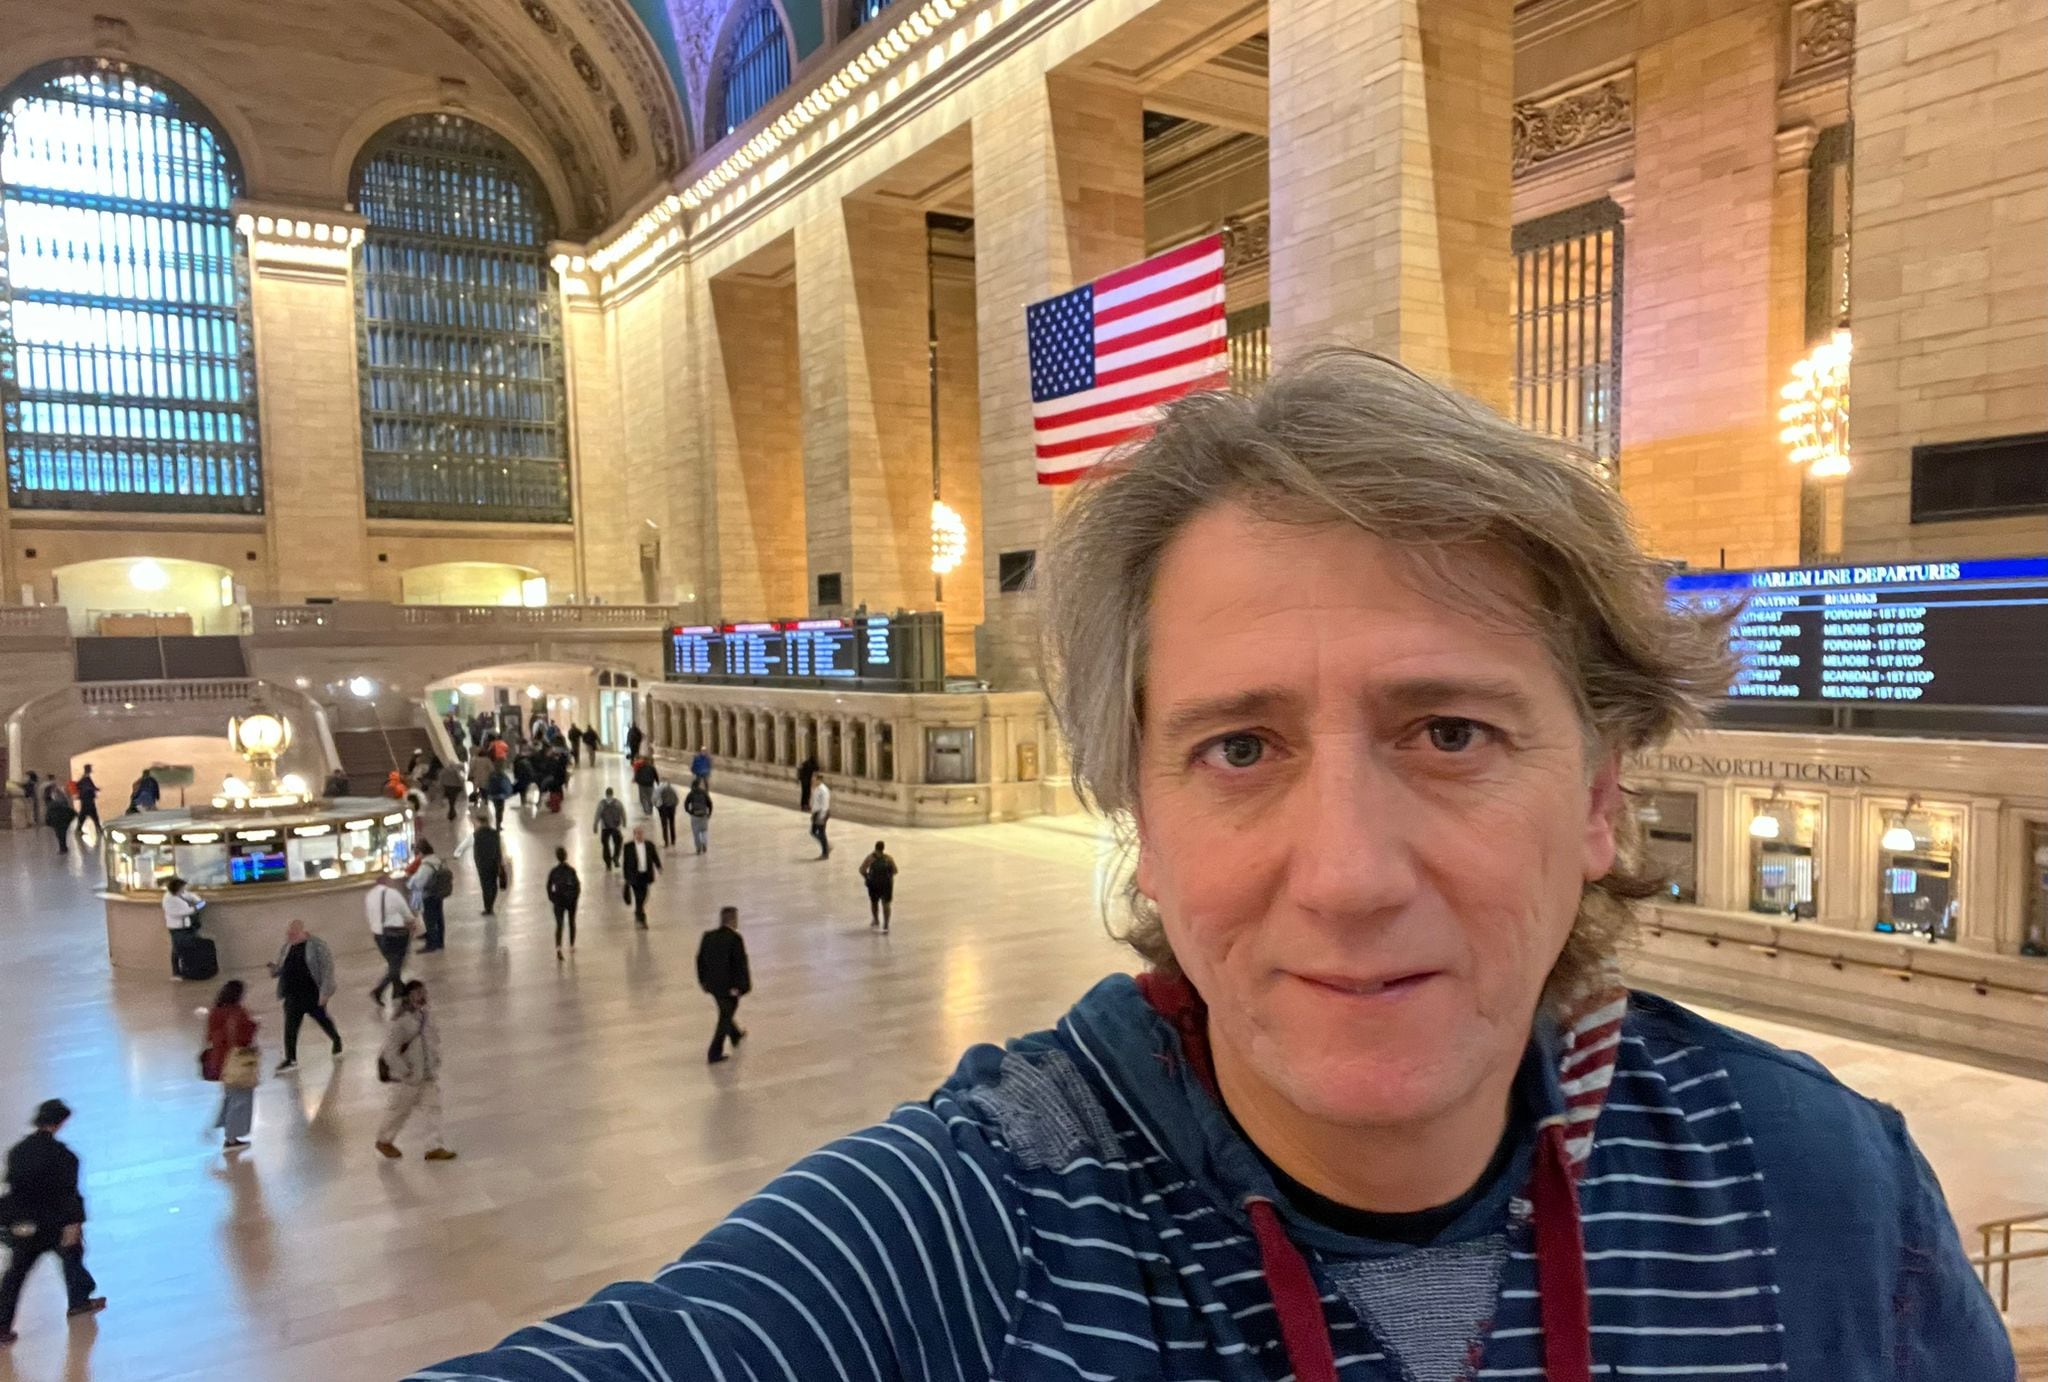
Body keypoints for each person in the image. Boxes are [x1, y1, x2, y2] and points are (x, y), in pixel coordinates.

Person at [422, 351, 2015, 1382]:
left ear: (1601, 797)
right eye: (1239, 748)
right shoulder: (968, 1240)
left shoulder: (1824, 1194)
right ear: (1144, 821)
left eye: (1450, 731)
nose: (1346, 873)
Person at [0, 1100, 105, 1345]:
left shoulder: (18, 1151)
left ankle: (2, 1325)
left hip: (25, 1224)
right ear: (60, 1122)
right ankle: (79, 1302)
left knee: (15, 1275)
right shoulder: (65, 1156)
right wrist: (74, 1225)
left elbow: (12, 1185)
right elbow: (69, 1194)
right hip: (54, 1224)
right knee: (72, 1255)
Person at [374, 981, 454, 1162]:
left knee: (433, 1109)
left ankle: (434, 1147)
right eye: (416, 993)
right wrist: (404, 1070)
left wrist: (435, 1061)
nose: (421, 996)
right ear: (407, 997)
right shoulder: (400, 1022)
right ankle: (384, 1140)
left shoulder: (426, 1017)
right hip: (407, 1079)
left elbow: (433, 1041)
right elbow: (390, 1052)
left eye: (423, 992)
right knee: (398, 1111)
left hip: (426, 1075)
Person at [267, 922, 340, 1073]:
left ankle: (336, 1039)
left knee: (322, 1020)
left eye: (292, 934)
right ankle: (290, 1059)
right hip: (292, 995)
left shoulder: (317, 946)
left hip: (312, 994)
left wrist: (325, 993)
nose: (289, 937)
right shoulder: (287, 947)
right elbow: (282, 967)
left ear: (302, 932)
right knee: (290, 1028)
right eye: (288, 934)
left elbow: (327, 969)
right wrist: (274, 970)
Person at [201, 981, 259, 1151]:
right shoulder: (238, 1013)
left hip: (219, 1061)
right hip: (237, 1063)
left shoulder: (215, 1012)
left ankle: (220, 1125)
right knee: (240, 1100)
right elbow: (246, 1037)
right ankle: (231, 1139)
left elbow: (209, 1037)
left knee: (230, 1097)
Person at [695, 905, 750, 1065]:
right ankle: (714, 1052)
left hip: (713, 985)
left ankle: (735, 1035)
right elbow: (740, 964)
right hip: (729, 987)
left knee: (725, 1011)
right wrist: (742, 987)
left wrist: (703, 981)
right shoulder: (735, 939)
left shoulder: (708, 936)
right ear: (733, 920)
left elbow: (700, 960)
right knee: (725, 1017)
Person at [365, 873, 418, 1007]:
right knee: (396, 965)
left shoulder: (369, 896)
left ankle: (398, 992)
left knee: (393, 963)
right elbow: (405, 912)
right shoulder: (392, 893)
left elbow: (370, 916)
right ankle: (379, 990)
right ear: (387, 881)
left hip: (379, 935)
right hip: (396, 934)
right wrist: (412, 922)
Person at [454, 814, 508, 916]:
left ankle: (488, 907)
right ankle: (491, 903)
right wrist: (502, 862)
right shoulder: (495, 833)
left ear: (480, 823)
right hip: (494, 862)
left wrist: (456, 854)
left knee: (485, 885)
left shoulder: (476, 835)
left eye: (476, 823)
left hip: (482, 864)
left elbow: (464, 845)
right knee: (493, 883)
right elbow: (501, 848)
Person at [410, 841, 453, 952]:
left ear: (421, 852)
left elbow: (419, 882)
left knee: (429, 920)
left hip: (428, 895)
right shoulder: (437, 860)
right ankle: (440, 942)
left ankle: (431, 945)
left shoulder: (426, 865)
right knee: (439, 918)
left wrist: (410, 884)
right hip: (438, 893)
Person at [161, 876, 205, 977]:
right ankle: (176, 973)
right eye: (182, 888)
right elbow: (181, 912)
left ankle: (188, 969)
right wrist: (197, 907)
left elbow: (190, 896)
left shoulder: (180, 895)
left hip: (185, 926)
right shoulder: (169, 899)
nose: (183, 890)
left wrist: (198, 900)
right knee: (177, 949)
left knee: (186, 948)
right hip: (177, 928)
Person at [620, 826, 660, 929]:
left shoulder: (649, 845)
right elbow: (625, 863)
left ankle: (638, 913)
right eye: (637, 833)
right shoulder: (628, 847)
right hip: (634, 876)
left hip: (645, 876)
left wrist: (659, 866)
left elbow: (655, 857)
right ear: (634, 835)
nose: (639, 835)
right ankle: (641, 919)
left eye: (641, 833)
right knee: (638, 897)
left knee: (644, 896)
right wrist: (626, 877)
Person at [546, 847, 580, 958]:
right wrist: (574, 897)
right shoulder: (571, 870)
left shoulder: (554, 872)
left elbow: (549, 887)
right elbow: (577, 886)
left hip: (559, 902)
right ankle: (571, 945)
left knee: (559, 924)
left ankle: (558, 946)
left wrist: (553, 898)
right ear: (566, 856)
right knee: (571, 922)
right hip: (570, 901)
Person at [858, 840, 897, 931]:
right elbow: (895, 871)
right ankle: (886, 924)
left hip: (873, 885)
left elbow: (862, 870)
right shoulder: (888, 858)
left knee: (874, 903)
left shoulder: (870, 858)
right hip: (886, 885)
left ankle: (876, 920)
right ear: (883, 848)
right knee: (886, 904)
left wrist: (867, 877)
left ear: (875, 848)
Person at [593, 788, 626, 870]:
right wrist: (624, 822)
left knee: (605, 845)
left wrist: (595, 825)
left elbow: (597, 815)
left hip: (605, 828)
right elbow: (623, 812)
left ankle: (608, 863)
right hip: (616, 827)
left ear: (606, 794)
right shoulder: (618, 803)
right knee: (618, 842)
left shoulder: (601, 804)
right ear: (612, 793)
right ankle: (615, 857)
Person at [683, 778, 713, 855]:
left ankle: (698, 848)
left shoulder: (691, 793)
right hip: (703, 815)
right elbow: (710, 803)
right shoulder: (704, 793)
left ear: (693, 786)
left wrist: (689, 811)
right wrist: (709, 813)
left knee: (696, 833)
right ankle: (704, 845)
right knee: (704, 831)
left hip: (695, 815)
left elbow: (686, 803)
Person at [41, 787, 73, 856]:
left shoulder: (53, 803)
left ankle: (63, 849)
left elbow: (49, 814)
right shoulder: (58, 799)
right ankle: (63, 848)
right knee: (62, 834)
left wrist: (48, 821)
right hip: (62, 819)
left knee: (60, 835)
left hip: (59, 820)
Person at [71, 766, 99, 842]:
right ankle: (98, 829)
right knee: (90, 814)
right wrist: (94, 789)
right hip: (87, 800)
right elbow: (88, 788)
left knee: (85, 815)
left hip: (86, 800)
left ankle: (80, 829)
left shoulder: (85, 778)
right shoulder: (86, 779)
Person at [808, 774, 831, 859]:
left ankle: (825, 852)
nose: (813, 781)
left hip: (821, 813)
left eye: (814, 779)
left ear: (819, 780)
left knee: (821, 833)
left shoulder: (823, 790)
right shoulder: (816, 788)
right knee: (813, 832)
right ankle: (826, 845)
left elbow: (825, 804)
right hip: (816, 813)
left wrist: (821, 816)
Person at [654, 778, 680, 846]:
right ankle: (673, 840)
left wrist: (657, 807)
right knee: (672, 824)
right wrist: (674, 805)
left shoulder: (659, 789)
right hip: (672, 808)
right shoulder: (673, 789)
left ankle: (666, 842)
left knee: (664, 826)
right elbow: (677, 799)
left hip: (663, 809)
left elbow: (655, 799)